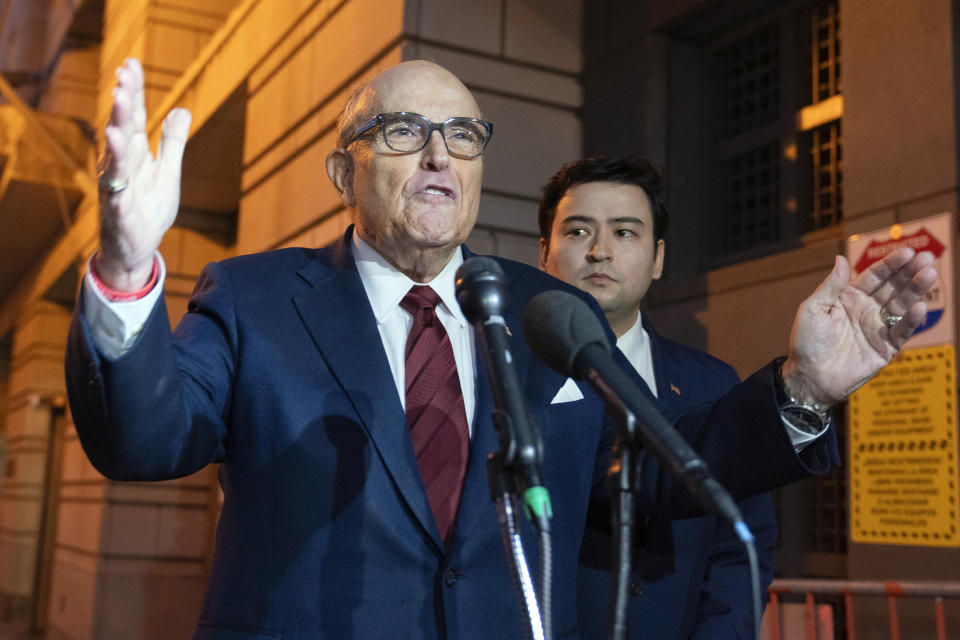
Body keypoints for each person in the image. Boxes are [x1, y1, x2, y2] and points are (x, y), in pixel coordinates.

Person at [65, 57, 936, 640]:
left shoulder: (543, 307)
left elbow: (645, 475)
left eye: (466, 136)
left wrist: (803, 387)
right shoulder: (253, 298)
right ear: (344, 173)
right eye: (404, 132)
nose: (441, 156)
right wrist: (125, 268)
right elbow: (143, 440)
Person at [538, 155, 776, 638]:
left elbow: (738, 549)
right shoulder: (502, 376)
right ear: (544, 252)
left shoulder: (713, 383)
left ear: (659, 256)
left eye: (625, 232)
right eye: (579, 231)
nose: (600, 251)